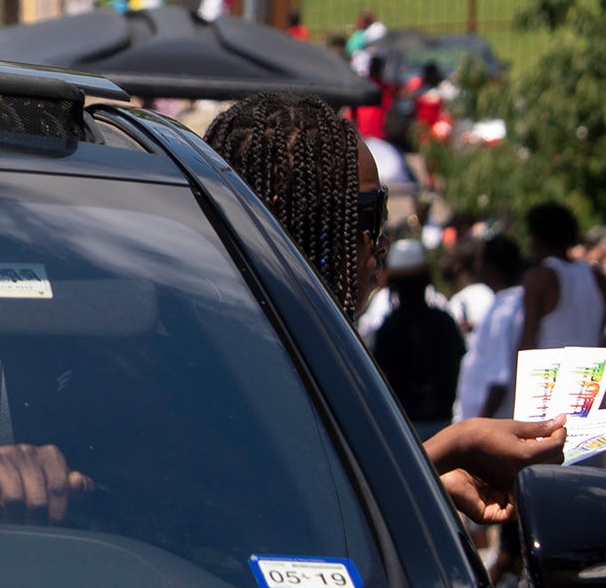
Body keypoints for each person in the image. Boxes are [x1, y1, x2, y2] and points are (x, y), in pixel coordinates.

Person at [203, 92, 561, 524]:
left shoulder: (290, 339)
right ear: (288, 223)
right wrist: (458, 444)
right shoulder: (239, 353)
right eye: (367, 215)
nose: (383, 241)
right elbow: (284, 510)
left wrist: (429, 477)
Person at [369, 238, 468, 443]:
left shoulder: (389, 327)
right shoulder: (444, 322)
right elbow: (458, 367)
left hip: (405, 429)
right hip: (440, 428)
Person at [516, 201, 606, 356]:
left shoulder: (539, 278)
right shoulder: (596, 276)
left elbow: (528, 338)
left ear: (538, 238)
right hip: (588, 376)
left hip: (549, 375)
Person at [456, 234, 527, 425]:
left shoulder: (506, 311)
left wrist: (480, 426)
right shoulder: (511, 303)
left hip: (491, 425)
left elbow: (499, 378)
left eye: (481, 260)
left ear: (492, 267)